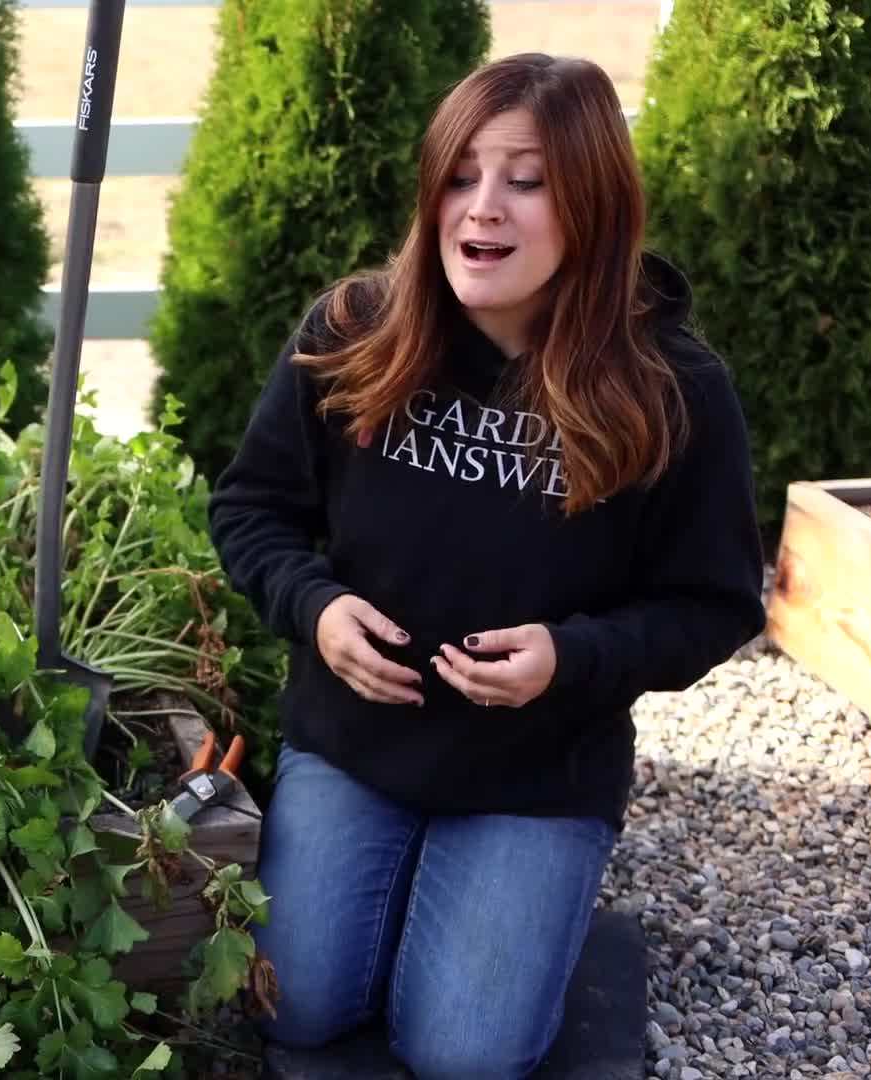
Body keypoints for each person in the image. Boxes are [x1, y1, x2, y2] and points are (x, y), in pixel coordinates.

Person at [206, 53, 767, 1079]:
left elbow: (715, 603)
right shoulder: (356, 333)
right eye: (462, 174)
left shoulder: (671, 388)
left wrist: (572, 656)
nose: (484, 207)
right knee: (297, 1009)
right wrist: (316, 608)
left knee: (464, 1053)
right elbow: (253, 509)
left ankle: (512, 891)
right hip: (357, 744)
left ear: (592, 201)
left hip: (534, 775)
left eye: (528, 179)